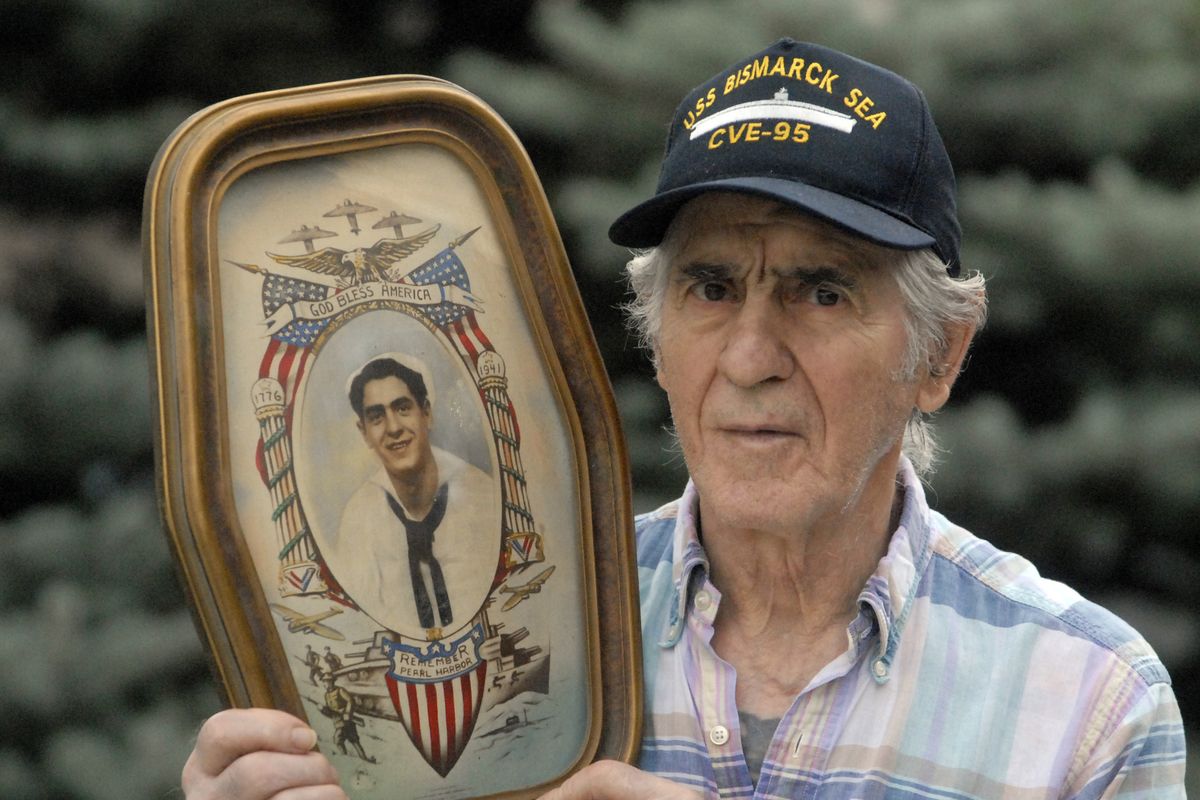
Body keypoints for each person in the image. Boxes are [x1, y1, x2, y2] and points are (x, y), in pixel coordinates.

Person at [180, 39, 1186, 799]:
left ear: (940, 355)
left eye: (822, 292)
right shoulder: (514, 628)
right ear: (656, 335)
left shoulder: (1086, 701)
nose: (749, 357)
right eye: (709, 287)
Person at [321, 356, 499, 635]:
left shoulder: (482, 496)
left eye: (403, 408)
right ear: (364, 433)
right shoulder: (359, 519)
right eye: (376, 417)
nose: (393, 428)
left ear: (426, 413)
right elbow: (362, 628)